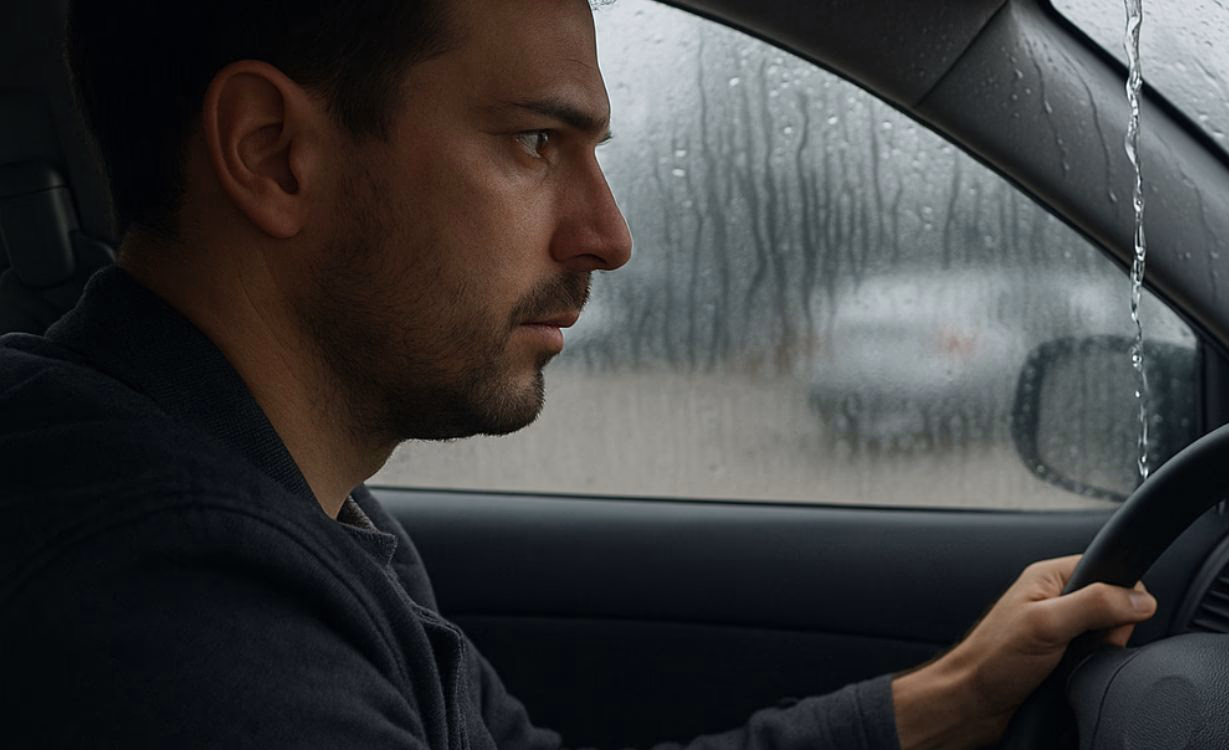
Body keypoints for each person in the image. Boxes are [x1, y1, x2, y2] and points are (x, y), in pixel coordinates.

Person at [0, 0, 1157, 747]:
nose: (607, 235)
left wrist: (933, 707)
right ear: (272, 154)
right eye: (535, 143)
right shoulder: (172, 614)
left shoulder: (286, 507)